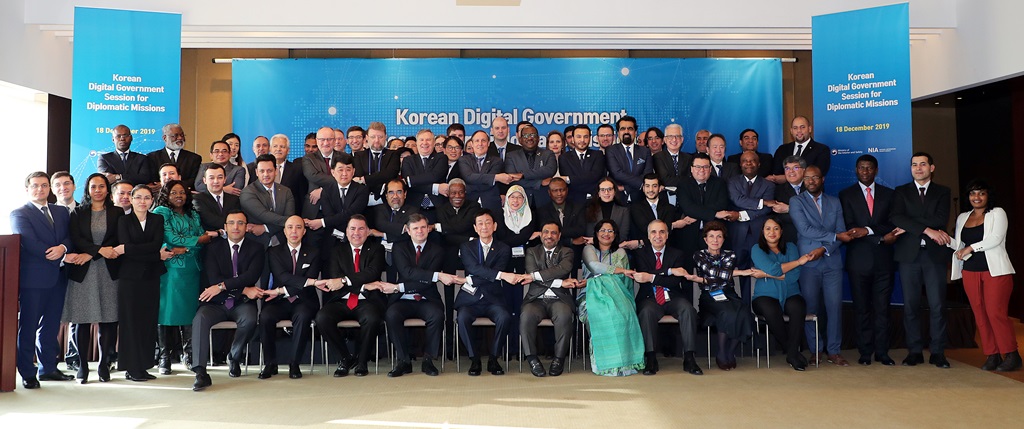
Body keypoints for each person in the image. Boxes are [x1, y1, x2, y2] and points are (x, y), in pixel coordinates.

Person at [12, 172, 82, 388]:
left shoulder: (61, 211)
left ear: (49, 189)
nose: (40, 189)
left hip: (58, 278)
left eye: (44, 185)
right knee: (29, 326)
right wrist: (61, 255)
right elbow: (30, 243)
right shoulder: (20, 213)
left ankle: (48, 368)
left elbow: (70, 237)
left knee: (51, 326)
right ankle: (27, 372)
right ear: (27, 189)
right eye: (35, 186)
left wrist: (63, 248)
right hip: (33, 280)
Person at [190, 210, 265, 391]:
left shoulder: (257, 248)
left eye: (240, 223)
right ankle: (200, 372)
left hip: (241, 303)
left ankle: (234, 355)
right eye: (231, 223)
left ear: (247, 227)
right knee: (199, 319)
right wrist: (242, 289)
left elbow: (250, 276)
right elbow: (213, 278)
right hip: (216, 302)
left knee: (249, 319)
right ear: (225, 227)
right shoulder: (213, 248)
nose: (236, 227)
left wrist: (223, 286)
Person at [838, 155, 902, 366]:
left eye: (869, 168)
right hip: (858, 261)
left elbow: (892, 224)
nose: (865, 171)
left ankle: (882, 352)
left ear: (876, 171)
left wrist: (868, 231)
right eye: (861, 168)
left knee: (883, 309)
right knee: (862, 309)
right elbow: (849, 226)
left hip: (884, 261)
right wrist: (879, 237)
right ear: (856, 170)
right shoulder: (845, 195)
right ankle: (865, 352)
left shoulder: (889, 194)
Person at [950, 180, 1020, 371]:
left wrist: (971, 247)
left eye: (981, 193)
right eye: (973, 193)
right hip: (970, 271)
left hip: (995, 271)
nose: (976, 197)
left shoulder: (997, 213)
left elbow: (995, 239)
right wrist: (945, 239)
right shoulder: (963, 217)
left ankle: (1012, 355)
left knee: (995, 313)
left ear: (988, 196)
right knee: (980, 314)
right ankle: (993, 354)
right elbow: (959, 245)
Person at [891, 152, 953, 368]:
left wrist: (911, 224)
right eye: (914, 165)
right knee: (911, 306)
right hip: (909, 257)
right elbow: (896, 217)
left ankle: (938, 352)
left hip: (934, 257)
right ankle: (914, 351)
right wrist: (928, 230)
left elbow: (940, 219)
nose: (918, 168)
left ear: (932, 168)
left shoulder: (943, 192)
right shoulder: (901, 192)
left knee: (937, 306)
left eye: (923, 164)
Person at [382, 214, 459, 377]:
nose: (420, 231)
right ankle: (404, 361)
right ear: (408, 231)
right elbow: (407, 272)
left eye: (423, 227)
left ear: (428, 229)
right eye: (415, 228)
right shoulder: (399, 247)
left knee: (437, 315)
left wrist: (398, 287)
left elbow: (427, 282)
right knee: (391, 314)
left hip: (427, 298)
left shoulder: (437, 250)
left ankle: (428, 360)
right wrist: (435, 275)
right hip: (403, 300)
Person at [790, 165, 852, 366]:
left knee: (834, 307)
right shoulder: (796, 201)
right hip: (808, 262)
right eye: (807, 178)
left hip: (832, 261)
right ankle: (815, 350)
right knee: (811, 308)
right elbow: (805, 229)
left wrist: (824, 249)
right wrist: (833, 237)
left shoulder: (835, 202)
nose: (811, 181)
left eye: (815, 177)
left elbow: (843, 232)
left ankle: (833, 351)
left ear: (822, 179)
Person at [63, 173, 122, 383]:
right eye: (93, 186)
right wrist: (95, 252)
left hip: (109, 271)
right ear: (87, 189)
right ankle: (83, 366)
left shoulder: (117, 212)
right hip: (84, 271)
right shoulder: (78, 213)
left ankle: (103, 365)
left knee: (108, 320)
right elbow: (76, 238)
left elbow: (118, 238)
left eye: (102, 186)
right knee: (82, 320)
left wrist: (94, 252)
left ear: (108, 189)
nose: (97, 190)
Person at [153, 180, 216, 375]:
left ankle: (188, 354)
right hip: (170, 269)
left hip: (192, 269)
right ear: (166, 194)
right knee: (167, 312)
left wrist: (188, 246)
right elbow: (169, 237)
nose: (179, 196)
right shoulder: (161, 212)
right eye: (174, 192)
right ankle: (164, 356)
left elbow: (203, 238)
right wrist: (196, 241)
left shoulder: (193, 213)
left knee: (190, 313)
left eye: (182, 192)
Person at [314, 215, 387, 378]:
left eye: (361, 228)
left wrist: (345, 280)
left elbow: (372, 273)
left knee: (373, 318)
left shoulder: (377, 249)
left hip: (367, 300)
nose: (356, 233)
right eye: (352, 229)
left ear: (368, 232)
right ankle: (345, 358)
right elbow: (334, 277)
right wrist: (363, 285)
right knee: (322, 318)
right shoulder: (336, 251)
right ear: (346, 232)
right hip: (341, 298)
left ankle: (361, 361)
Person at [115, 185, 172, 381]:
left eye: (147, 198)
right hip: (129, 278)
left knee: (148, 322)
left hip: (151, 277)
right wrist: (154, 254)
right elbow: (127, 248)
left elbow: (152, 245)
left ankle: (145, 365)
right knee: (130, 322)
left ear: (151, 200)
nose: (142, 201)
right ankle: (131, 367)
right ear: (131, 200)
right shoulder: (123, 220)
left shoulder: (157, 219)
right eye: (138, 197)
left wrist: (133, 249)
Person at [633, 219, 704, 375]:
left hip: (673, 296)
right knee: (646, 312)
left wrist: (652, 277)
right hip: (649, 296)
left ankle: (690, 357)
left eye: (662, 232)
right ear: (648, 235)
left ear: (667, 235)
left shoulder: (677, 254)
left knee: (688, 310)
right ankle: (650, 358)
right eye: (654, 232)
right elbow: (642, 276)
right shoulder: (639, 254)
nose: (658, 236)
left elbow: (674, 281)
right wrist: (670, 270)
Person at [578, 219, 643, 376]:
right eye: (602, 230)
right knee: (601, 314)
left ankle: (624, 363)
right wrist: (619, 270)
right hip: (589, 295)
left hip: (617, 294)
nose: (606, 234)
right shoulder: (588, 249)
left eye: (610, 231)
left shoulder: (621, 253)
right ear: (596, 233)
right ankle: (603, 363)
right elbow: (594, 266)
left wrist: (629, 302)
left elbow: (627, 282)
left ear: (615, 235)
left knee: (624, 313)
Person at [259, 215, 322, 380]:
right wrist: (309, 282)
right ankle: (270, 363)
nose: (294, 231)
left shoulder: (314, 252)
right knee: (265, 316)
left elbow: (310, 282)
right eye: (290, 227)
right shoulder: (273, 252)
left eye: (298, 227)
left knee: (302, 316)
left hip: (304, 299)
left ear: (304, 231)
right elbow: (282, 276)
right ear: (284, 231)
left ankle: (294, 364)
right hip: (278, 301)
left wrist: (282, 290)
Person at [691, 221, 757, 370]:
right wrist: (740, 272)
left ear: (723, 239)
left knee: (745, 312)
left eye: (719, 236)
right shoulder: (699, 254)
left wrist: (705, 279)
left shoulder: (730, 254)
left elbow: (717, 275)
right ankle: (721, 353)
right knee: (727, 312)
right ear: (705, 239)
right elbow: (713, 271)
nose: (715, 240)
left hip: (729, 294)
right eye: (711, 236)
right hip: (709, 296)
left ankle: (730, 351)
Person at [456, 209, 515, 376]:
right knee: (462, 318)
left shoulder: (503, 248)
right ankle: (474, 359)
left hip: (493, 299)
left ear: (495, 226)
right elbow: (472, 268)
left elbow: (492, 272)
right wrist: (500, 275)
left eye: (488, 222)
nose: (484, 226)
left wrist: (470, 280)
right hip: (470, 299)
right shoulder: (466, 247)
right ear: (475, 228)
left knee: (504, 317)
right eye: (480, 223)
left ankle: (493, 358)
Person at [750, 217, 811, 371]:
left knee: (798, 306)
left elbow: (794, 276)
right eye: (768, 228)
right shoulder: (757, 249)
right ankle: (792, 352)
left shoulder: (791, 247)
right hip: (764, 296)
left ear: (781, 231)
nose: (772, 232)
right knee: (771, 310)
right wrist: (797, 262)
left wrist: (765, 274)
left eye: (776, 228)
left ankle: (791, 354)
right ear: (762, 231)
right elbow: (776, 270)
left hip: (791, 292)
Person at [520, 222, 579, 377]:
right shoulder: (532, 251)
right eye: (546, 232)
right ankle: (532, 359)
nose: (549, 236)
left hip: (559, 299)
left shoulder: (567, 252)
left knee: (565, 315)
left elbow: (563, 269)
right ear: (541, 235)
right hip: (536, 299)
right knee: (526, 315)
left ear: (559, 236)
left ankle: (558, 359)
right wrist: (560, 282)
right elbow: (531, 272)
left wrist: (534, 276)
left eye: (553, 233)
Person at [727, 151, 776, 305]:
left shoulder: (769, 185)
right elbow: (738, 200)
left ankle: (758, 312)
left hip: (758, 236)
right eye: (745, 161)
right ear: (740, 164)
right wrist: (762, 202)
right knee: (738, 273)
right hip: (737, 236)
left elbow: (767, 209)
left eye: (752, 161)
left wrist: (741, 216)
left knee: (759, 272)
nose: (749, 163)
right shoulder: (732, 181)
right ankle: (740, 311)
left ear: (758, 164)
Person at [675, 153, 735, 271]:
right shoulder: (683, 185)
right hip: (689, 233)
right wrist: (714, 214)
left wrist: (697, 213)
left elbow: (721, 204)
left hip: (713, 236)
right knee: (687, 272)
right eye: (698, 167)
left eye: (705, 167)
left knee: (713, 272)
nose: (701, 170)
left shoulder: (719, 183)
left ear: (710, 169)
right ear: (692, 169)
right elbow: (688, 208)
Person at [240, 154, 296, 249]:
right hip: (256, 244)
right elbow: (264, 215)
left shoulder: (286, 191)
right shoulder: (247, 192)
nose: (266, 174)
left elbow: (289, 216)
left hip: (282, 243)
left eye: (269, 170)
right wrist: (292, 222)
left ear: (276, 171)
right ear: (256, 172)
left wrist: (265, 228)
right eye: (262, 171)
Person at [460, 130, 515, 212]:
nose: (480, 144)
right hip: (469, 204)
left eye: (483, 140)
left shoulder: (497, 161)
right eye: (477, 141)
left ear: (488, 143)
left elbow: (487, 184)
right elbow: (468, 177)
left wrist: (473, 183)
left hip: (491, 204)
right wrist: (496, 177)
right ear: (472, 144)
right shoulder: (464, 160)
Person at [402, 129, 449, 223]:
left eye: (428, 140)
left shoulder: (441, 158)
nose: (425, 143)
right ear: (416, 143)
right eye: (421, 140)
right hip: (414, 209)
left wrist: (411, 180)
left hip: (438, 210)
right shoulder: (408, 160)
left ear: (434, 142)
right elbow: (408, 186)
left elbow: (434, 176)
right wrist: (436, 188)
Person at [504, 124, 557, 207]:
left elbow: (550, 170)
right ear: (520, 140)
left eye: (533, 135)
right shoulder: (511, 156)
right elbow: (512, 180)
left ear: (538, 138)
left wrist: (523, 175)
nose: (530, 138)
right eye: (526, 135)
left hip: (545, 202)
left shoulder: (548, 154)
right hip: (520, 204)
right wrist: (539, 182)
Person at [769, 116, 831, 183]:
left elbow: (817, 174)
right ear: (791, 131)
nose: (799, 130)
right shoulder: (782, 149)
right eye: (795, 128)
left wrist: (787, 177)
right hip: (785, 192)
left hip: (810, 191)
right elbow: (776, 172)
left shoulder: (821, 149)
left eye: (802, 127)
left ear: (809, 129)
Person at [606, 116, 653, 203]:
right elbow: (617, 174)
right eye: (623, 129)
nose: (626, 131)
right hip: (618, 201)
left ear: (635, 132)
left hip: (640, 200)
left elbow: (647, 174)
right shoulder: (611, 150)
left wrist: (625, 188)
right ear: (618, 132)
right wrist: (640, 184)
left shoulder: (645, 151)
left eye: (630, 129)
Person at [353, 122, 401, 204]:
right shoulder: (359, 156)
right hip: (363, 200)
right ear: (367, 138)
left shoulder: (393, 154)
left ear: (386, 137)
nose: (376, 140)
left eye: (380, 137)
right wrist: (381, 184)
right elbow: (357, 177)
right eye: (373, 137)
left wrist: (364, 179)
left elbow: (390, 174)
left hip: (386, 201)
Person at [559, 125, 607, 204]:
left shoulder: (598, 155)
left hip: (595, 202)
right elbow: (570, 185)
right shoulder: (564, 158)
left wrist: (569, 179)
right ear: (573, 139)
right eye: (578, 137)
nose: (582, 140)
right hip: (573, 202)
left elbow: (596, 177)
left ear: (590, 139)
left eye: (586, 137)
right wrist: (587, 180)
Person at [584, 177, 632, 244]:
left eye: (609, 189)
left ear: (614, 191)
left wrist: (603, 242)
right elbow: (589, 233)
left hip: (616, 247)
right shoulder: (589, 209)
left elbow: (623, 236)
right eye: (603, 190)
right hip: (594, 247)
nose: (606, 193)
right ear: (598, 193)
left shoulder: (624, 211)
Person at [771, 155, 806, 245]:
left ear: (804, 170)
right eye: (787, 168)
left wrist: (789, 209)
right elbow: (780, 216)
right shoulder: (777, 190)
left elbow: (815, 213)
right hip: (788, 238)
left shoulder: (812, 188)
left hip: (811, 238)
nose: (791, 172)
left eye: (796, 168)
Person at [653, 123, 692, 189]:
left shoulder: (689, 158)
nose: (674, 139)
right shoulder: (658, 157)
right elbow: (665, 180)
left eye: (677, 136)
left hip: (686, 193)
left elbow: (692, 178)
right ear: (665, 140)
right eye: (670, 136)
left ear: (682, 139)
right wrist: (687, 180)